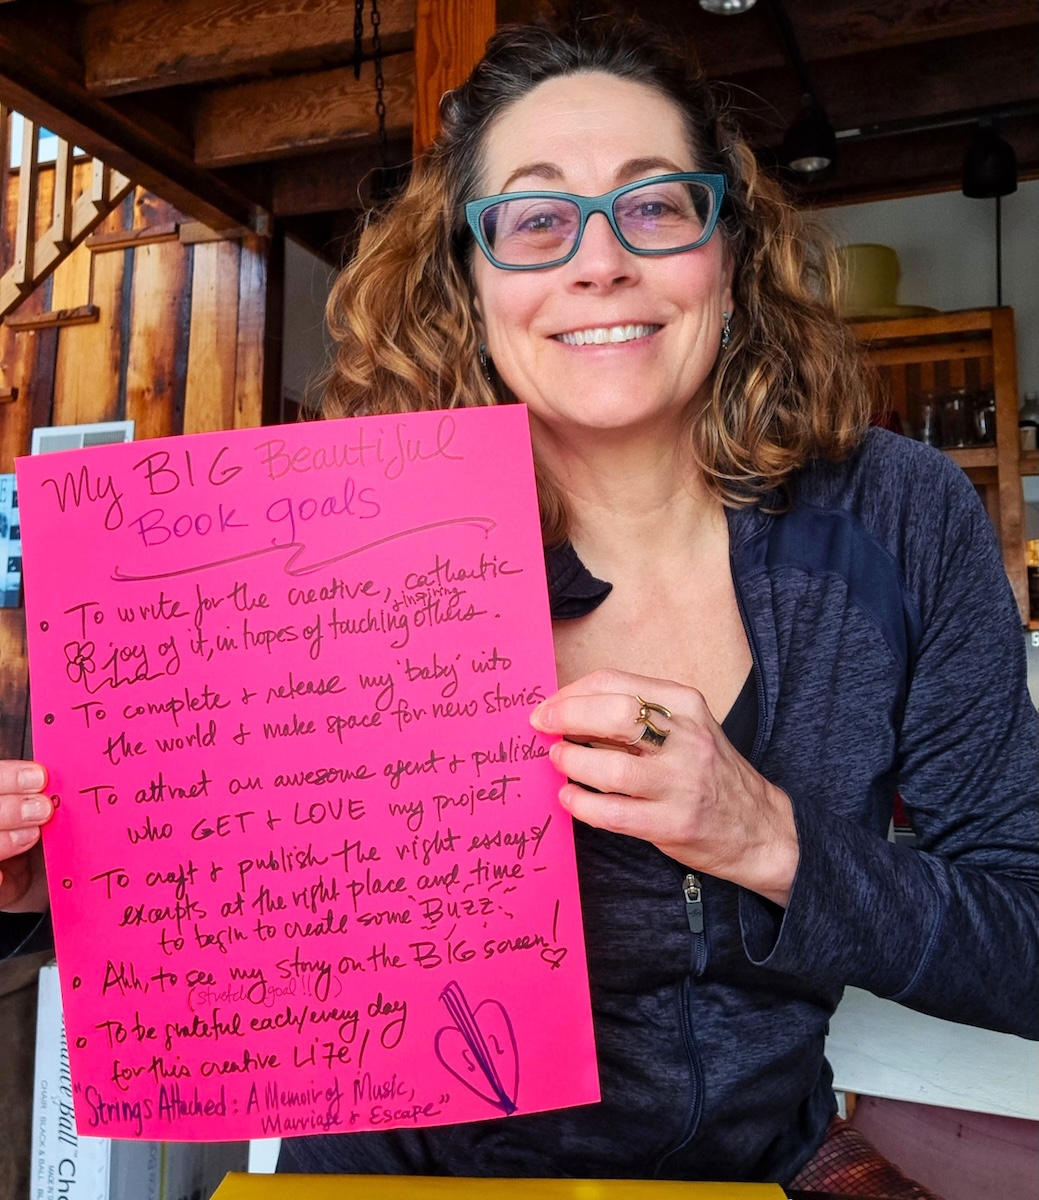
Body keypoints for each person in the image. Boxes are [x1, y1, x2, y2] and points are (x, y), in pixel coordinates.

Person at [2, 17, 1036, 1195]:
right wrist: (49, 884)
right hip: (392, 1180)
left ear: (731, 256)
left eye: (655, 206)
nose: (600, 262)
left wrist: (769, 838)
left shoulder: (899, 514)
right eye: (536, 220)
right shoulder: (316, 543)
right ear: (468, 277)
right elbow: (210, 903)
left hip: (750, 1172)